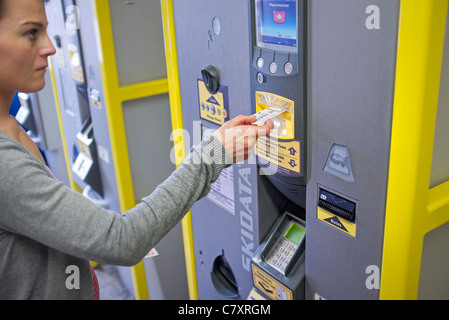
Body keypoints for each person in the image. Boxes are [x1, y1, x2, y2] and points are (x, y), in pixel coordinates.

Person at [0, 0, 273, 299]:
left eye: (46, 31)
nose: (51, 47)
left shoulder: (10, 128)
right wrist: (213, 154)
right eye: (31, 33)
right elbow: (123, 240)